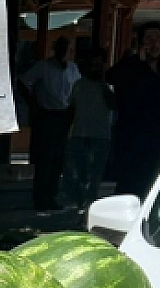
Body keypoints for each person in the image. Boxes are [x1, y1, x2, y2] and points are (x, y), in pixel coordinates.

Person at [108, 22, 160, 196]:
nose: (154, 43)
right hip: (133, 135)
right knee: (130, 181)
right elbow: (112, 77)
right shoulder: (130, 65)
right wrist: (139, 61)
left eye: (157, 38)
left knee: (153, 179)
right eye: (149, 38)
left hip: (158, 134)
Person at [21, 36, 79, 211]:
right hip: (47, 115)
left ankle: (52, 196)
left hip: (64, 115)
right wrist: (33, 103)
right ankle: (40, 198)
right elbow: (23, 81)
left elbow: (77, 89)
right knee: (44, 159)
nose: (65, 52)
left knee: (58, 160)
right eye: (62, 48)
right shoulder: (43, 67)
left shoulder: (73, 69)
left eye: (67, 48)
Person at [61, 46, 113, 209]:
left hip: (101, 135)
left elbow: (113, 105)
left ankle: (89, 203)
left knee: (96, 174)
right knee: (77, 172)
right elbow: (71, 107)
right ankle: (80, 199)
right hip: (80, 134)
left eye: (98, 64)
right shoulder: (78, 84)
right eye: (92, 64)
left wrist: (103, 83)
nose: (94, 67)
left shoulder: (108, 86)